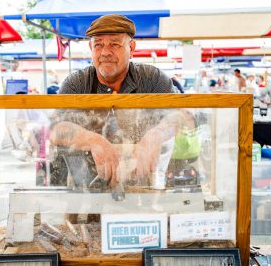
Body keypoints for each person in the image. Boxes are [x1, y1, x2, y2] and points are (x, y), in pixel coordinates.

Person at [50, 14, 178, 186]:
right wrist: (93, 140)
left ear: (131, 48)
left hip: (141, 191)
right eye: (99, 44)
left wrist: (156, 135)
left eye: (115, 44)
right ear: (91, 47)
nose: (105, 52)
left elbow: (182, 115)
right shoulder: (76, 83)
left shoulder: (152, 79)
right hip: (85, 193)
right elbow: (56, 130)